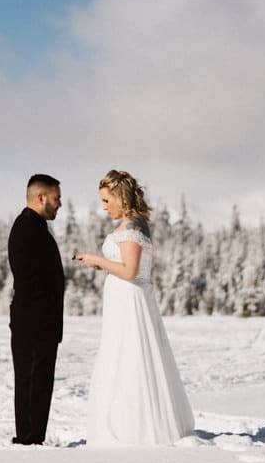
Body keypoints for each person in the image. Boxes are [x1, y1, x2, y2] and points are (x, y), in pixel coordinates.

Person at [73, 169, 195, 445]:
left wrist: (98, 260)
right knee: (122, 356)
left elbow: (130, 271)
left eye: (106, 201)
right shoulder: (131, 225)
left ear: (120, 196)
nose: (104, 207)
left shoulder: (133, 227)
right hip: (123, 301)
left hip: (130, 301)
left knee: (131, 356)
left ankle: (134, 426)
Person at [7, 173, 66, 446]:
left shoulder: (34, 227)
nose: (60, 204)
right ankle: (29, 441)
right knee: (33, 383)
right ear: (41, 197)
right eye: (56, 198)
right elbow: (32, 281)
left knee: (37, 384)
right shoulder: (27, 228)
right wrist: (45, 319)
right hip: (34, 323)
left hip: (36, 322)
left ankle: (31, 438)